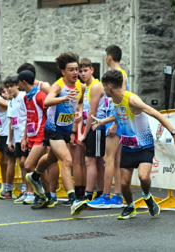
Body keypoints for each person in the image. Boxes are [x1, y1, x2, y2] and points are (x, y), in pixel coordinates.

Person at [91, 70, 175, 220]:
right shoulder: (114, 101)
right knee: (124, 184)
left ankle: (147, 196)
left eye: (104, 87)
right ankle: (130, 207)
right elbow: (117, 114)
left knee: (143, 177)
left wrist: (174, 133)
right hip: (128, 147)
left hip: (144, 145)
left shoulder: (132, 100)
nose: (103, 91)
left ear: (110, 87)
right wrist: (102, 122)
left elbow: (156, 113)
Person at [26, 52, 88, 216]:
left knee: (51, 158)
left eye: (77, 69)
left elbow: (80, 102)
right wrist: (64, 98)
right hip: (53, 129)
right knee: (66, 160)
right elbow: (47, 102)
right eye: (71, 70)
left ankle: (34, 176)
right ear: (63, 72)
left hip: (66, 129)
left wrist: (79, 113)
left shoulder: (81, 86)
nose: (75, 73)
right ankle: (73, 200)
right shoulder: (58, 86)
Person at [87, 45, 127, 209]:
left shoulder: (119, 75)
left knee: (108, 159)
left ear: (109, 57)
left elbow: (121, 99)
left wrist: (115, 124)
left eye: (105, 55)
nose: (105, 58)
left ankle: (105, 196)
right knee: (115, 160)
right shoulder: (122, 74)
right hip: (116, 120)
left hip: (115, 120)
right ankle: (116, 196)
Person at [16, 63, 59, 206]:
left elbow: (49, 114)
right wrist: (24, 137)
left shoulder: (40, 96)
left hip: (41, 135)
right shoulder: (26, 97)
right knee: (40, 168)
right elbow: (29, 117)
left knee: (28, 165)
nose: (17, 87)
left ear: (24, 82)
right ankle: (48, 197)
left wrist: (49, 135)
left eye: (18, 83)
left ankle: (40, 194)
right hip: (32, 135)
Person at [77, 58, 106, 202]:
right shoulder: (87, 87)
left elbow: (92, 113)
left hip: (96, 126)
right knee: (98, 161)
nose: (82, 74)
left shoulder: (95, 86)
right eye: (80, 71)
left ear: (92, 70)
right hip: (93, 126)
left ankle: (88, 194)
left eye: (85, 70)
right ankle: (99, 193)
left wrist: (83, 134)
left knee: (90, 160)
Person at [1, 76, 28, 200]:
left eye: (11, 86)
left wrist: (25, 136)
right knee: (20, 163)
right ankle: (23, 189)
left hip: (25, 135)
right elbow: (12, 120)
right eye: (7, 87)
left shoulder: (23, 96)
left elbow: (29, 115)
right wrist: (9, 141)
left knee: (25, 163)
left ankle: (27, 189)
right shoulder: (11, 101)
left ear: (18, 85)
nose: (9, 89)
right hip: (16, 137)